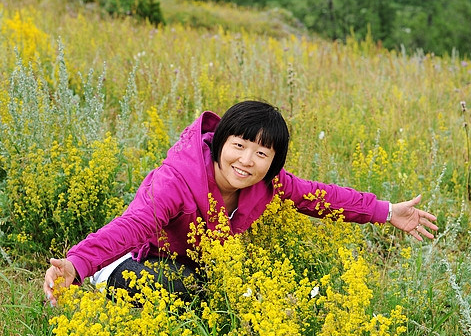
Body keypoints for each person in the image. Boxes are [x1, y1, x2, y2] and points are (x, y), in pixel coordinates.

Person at [43, 100, 438, 305]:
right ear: (220, 143)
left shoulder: (268, 184)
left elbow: (322, 197)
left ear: (273, 164)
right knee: (174, 292)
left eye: (262, 154)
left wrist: (387, 212)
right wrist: (78, 263)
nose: (247, 161)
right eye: (239, 146)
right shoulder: (176, 180)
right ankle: (102, 274)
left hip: (208, 265)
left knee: (257, 295)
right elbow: (134, 224)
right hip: (148, 258)